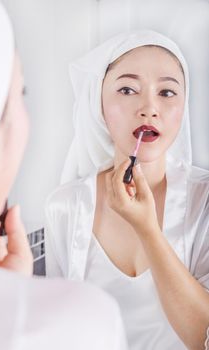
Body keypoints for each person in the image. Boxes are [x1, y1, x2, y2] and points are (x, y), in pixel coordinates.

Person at [0, 1, 128, 349]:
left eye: (167, 91)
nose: (148, 107)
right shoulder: (78, 324)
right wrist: (16, 299)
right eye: (20, 93)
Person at [45, 30, 209, 349]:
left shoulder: (205, 201)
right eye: (127, 89)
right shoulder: (64, 207)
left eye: (167, 92)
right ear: (98, 103)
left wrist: (147, 229)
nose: (148, 108)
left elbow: (204, 336)